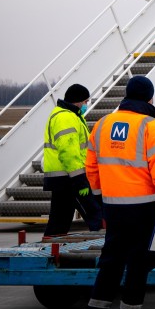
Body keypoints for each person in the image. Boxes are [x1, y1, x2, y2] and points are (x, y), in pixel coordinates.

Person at [75, 75, 155, 309]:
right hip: (144, 209)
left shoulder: (102, 124)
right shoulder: (151, 127)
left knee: (110, 263)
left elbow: (91, 167)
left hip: (113, 207)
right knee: (138, 266)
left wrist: (99, 197)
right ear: (149, 98)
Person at [42, 83, 102, 238]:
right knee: (94, 214)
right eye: (86, 102)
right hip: (70, 177)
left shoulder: (68, 115)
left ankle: (52, 245)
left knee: (60, 218)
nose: (86, 105)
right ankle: (103, 246)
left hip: (65, 177)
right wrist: (80, 180)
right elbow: (69, 152)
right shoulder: (66, 118)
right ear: (78, 101)